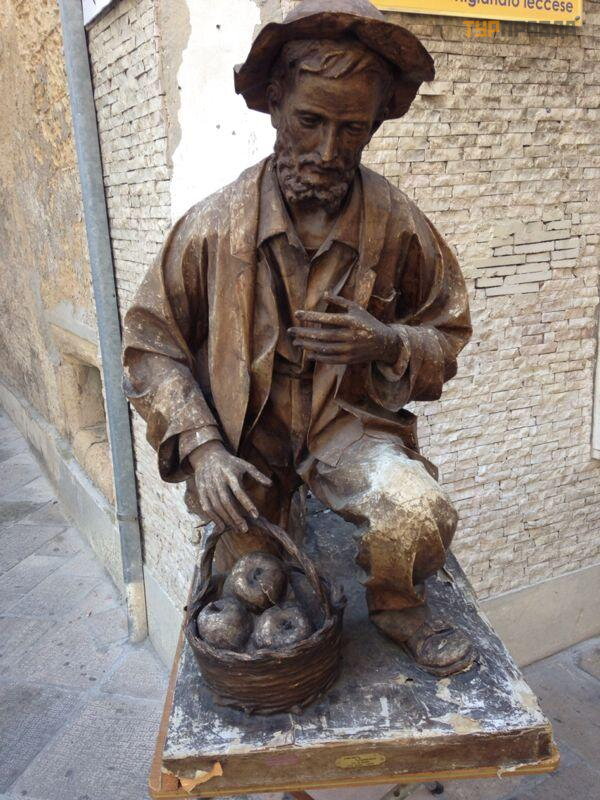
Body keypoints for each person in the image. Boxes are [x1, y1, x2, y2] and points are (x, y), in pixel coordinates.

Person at [123, 0, 474, 676]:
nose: (328, 151)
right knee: (251, 594)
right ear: (277, 103)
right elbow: (149, 343)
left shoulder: (397, 223)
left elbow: (448, 329)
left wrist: (387, 343)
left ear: (373, 125)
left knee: (419, 513)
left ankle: (398, 606)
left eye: (352, 129)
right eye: (311, 121)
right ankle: (262, 534)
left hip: (346, 426)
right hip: (245, 440)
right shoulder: (214, 226)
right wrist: (203, 448)